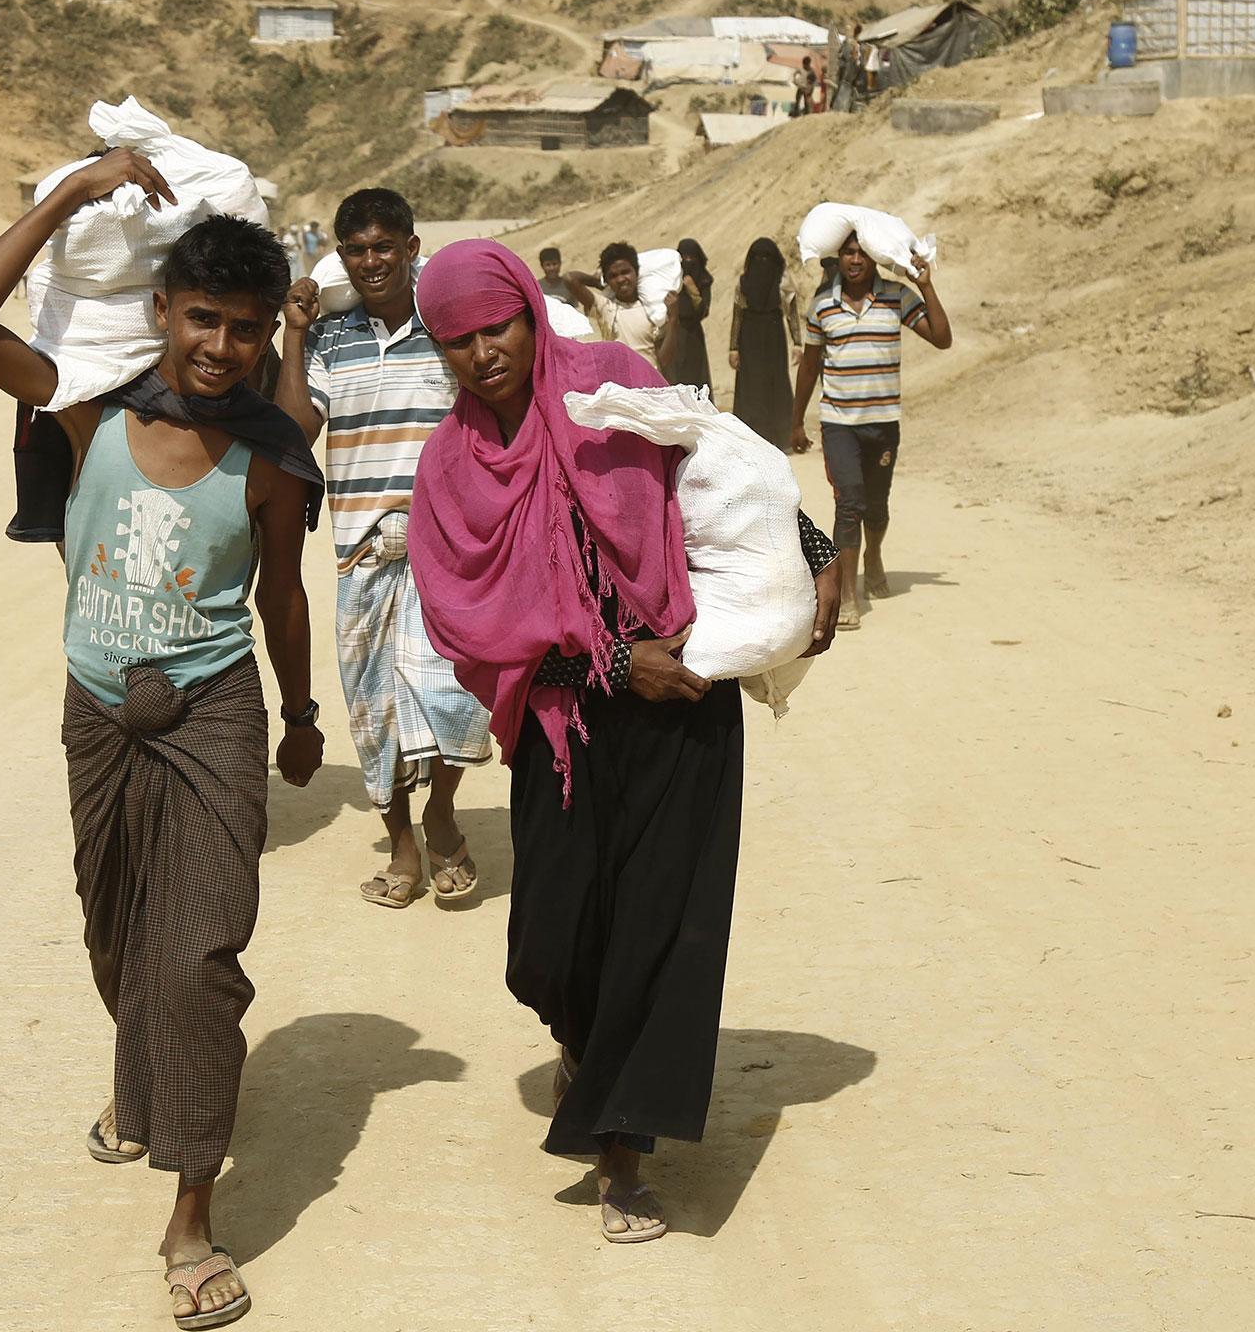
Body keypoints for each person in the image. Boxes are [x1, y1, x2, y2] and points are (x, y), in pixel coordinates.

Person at [0, 149, 327, 1331]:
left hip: (210, 708)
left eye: (248, 327)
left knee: (198, 954)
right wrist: (74, 193)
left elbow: (281, 597)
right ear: (159, 308)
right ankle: (140, 1082)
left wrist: (301, 714)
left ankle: (192, 1211)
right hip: (98, 709)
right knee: (114, 932)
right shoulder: (88, 412)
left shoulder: (268, 454)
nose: (221, 346)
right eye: (202, 317)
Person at [407, 240, 840, 1246]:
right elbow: (468, 626)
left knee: (657, 926)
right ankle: (582, 1043)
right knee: (551, 945)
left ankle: (621, 1153)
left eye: (497, 327)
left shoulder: (610, 382)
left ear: (527, 312)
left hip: (683, 700)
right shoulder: (446, 469)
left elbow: (723, 460)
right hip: (560, 721)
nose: (482, 354)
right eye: (457, 340)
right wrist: (608, 667)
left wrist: (814, 553)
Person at [273, 188, 492, 909]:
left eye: (384, 246)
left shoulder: (450, 327)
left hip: (449, 549)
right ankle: (403, 842)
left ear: (411, 247)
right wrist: (295, 334)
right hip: (361, 552)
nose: (371, 261)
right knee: (373, 707)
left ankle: (441, 813)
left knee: (456, 695)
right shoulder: (333, 337)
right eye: (356, 249)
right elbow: (295, 428)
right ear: (342, 256)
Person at [791, 231, 953, 629]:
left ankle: (873, 554)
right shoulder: (822, 305)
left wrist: (925, 286)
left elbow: (942, 338)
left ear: (875, 258)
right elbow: (810, 365)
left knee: (877, 507)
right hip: (839, 423)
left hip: (882, 424)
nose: (855, 259)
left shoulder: (897, 297)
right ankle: (848, 597)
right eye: (847, 252)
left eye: (862, 252)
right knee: (850, 503)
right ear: (839, 258)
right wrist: (796, 420)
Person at [727, 238, 800, 450]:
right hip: (749, 338)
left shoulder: (783, 281)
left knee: (776, 383)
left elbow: (792, 312)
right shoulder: (743, 283)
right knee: (750, 387)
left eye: (767, 258)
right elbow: (738, 314)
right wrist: (733, 348)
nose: (763, 263)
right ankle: (749, 441)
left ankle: (781, 439)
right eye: (758, 258)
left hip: (774, 336)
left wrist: (797, 343)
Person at [565, 242, 663, 363]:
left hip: (653, 380)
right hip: (620, 381)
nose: (621, 279)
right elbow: (569, 279)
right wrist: (597, 282)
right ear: (606, 280)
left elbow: (664, 359)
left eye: (625, 272)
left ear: (636, 272)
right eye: (613, 276)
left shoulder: (653, 309)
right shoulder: (605, 308)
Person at [656, 238, 713, 393]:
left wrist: (693, 290)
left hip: (694, 337)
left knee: (695, 379)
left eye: (692, 259)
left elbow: (703, 311)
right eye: (684, 258)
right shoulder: (670, 280)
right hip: (674, 333)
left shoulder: (704, 280)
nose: (688, 262)